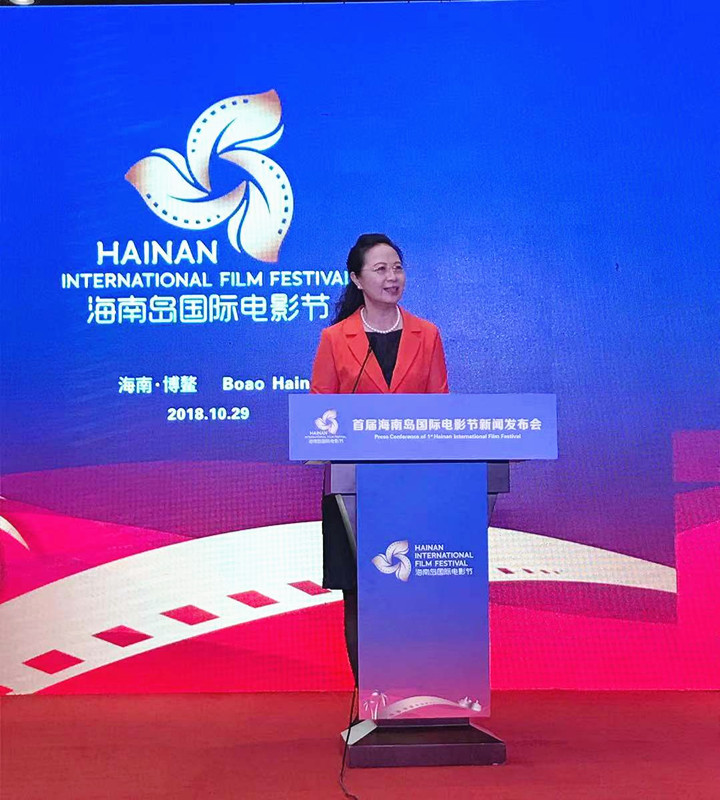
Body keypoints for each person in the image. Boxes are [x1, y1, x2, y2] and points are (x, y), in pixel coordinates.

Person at [310, 233, 449, 681]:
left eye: (398, 267)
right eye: (381, 269)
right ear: (357, 279)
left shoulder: (427, 335)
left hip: (414, 488)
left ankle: (413, 694)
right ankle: (370, 700)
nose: (392, 277)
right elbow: (318, 416)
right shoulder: (335, 339)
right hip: (352, 490)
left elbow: (442, 412)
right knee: (358, 595)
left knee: (411, 592)